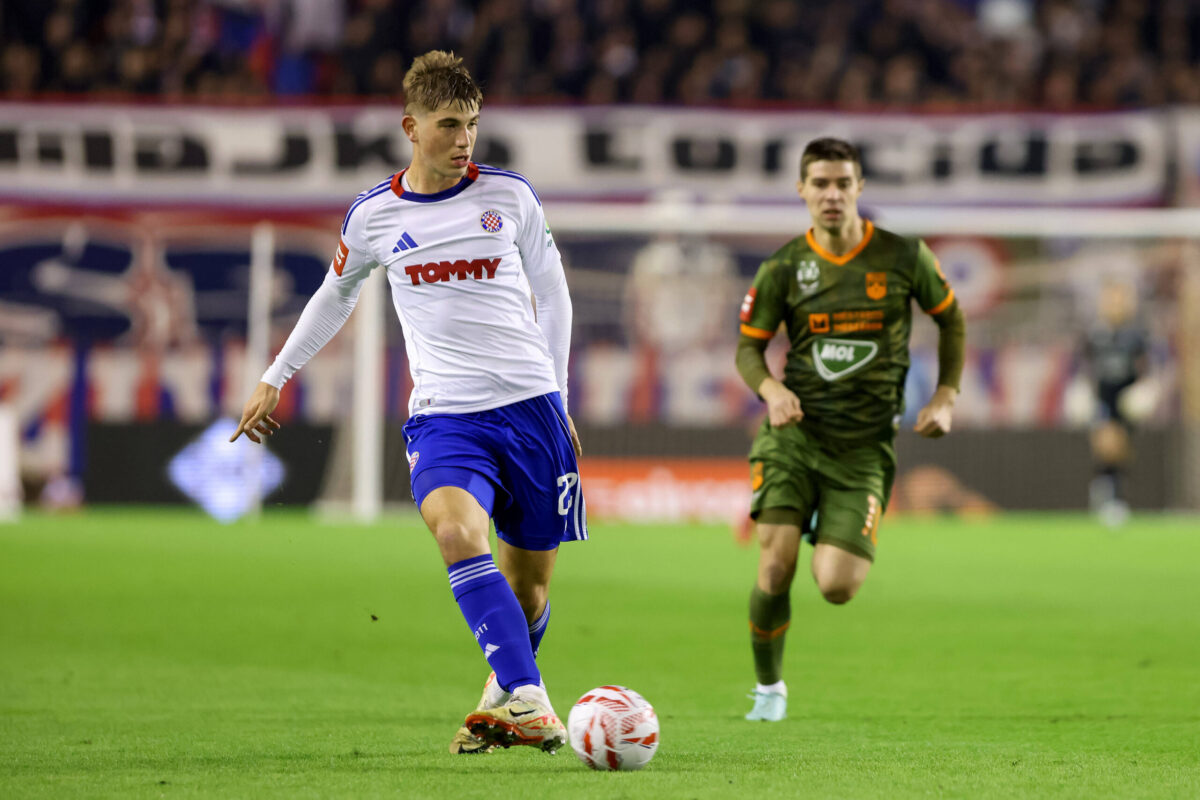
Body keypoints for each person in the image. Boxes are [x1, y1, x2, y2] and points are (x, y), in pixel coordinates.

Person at [230, 51, 583, 755]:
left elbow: (557, 296)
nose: (464, 140)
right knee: (455, 533)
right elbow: (335, 295)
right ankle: (531, 697)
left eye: (473, 125)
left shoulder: (510, 197)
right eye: (450, 125)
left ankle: (500, 697)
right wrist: (276, 374)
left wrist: (561, 398)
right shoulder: (373, 216)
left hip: (532, 410)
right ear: (411, 127)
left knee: (531, 591)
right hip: (445, 415)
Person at [735, 137, 966, 722]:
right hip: (795, 435)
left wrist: (946, 395)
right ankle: (768, 691)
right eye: (820, 184)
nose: (832, 194)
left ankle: (823, 516)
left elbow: (951, 319)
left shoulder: (902, 256)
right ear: (802, 191)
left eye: (843, 183)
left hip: (864, 448)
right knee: (773, 565)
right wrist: (772, 390)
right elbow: (749, 350)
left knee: (837, 585)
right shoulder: (785, 267)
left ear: (859, 188)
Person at [1080, 279, 1148, 527]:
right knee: (1106, 444)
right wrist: (1082, 391)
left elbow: (1148, 366)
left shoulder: (1136, 335)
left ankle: (1113, 493)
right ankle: (1108, 496)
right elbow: (1084, 366)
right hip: (1103, 398)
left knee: (1122, 450)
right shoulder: (1095, 334)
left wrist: (1145, 389)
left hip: (1128, 400)